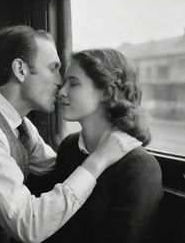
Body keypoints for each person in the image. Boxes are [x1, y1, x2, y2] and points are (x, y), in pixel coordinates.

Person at [0, 26, 141, 243]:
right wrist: (98, 160)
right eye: (53, 68)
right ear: (20, 70)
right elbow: (29, 226)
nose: (60, 82)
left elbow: (57, 169)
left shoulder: (20, 124)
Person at [44, 49, 163, 243]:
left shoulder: (139, 166)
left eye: (73, 84)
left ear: (106, 93)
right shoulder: (69, 146)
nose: (62, 91)